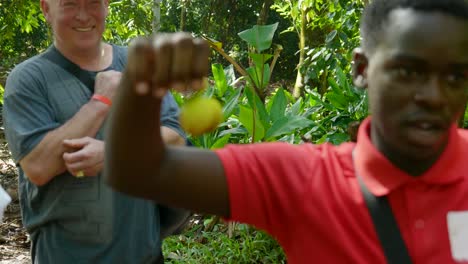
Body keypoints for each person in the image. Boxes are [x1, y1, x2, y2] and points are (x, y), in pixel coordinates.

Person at [106, 0, 468, 263]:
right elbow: (138, 172)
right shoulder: (304, 180)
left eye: (455, 76)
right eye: (407, 72)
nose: (434, 97)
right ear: (361, 69)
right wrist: (141, 84)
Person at [2, 0, 189, 263]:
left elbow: (175, 134)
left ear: (106, 6)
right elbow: (38, 166)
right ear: (46, 9)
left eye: (92, 3)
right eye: (70, 4)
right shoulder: (28, 79)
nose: (83, 15)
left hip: (143, 253)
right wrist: (101, 101)